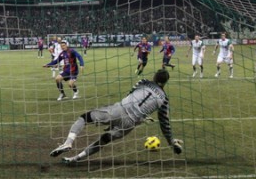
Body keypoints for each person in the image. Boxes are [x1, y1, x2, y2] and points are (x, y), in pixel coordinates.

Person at [50, 69, 183, 163]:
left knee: (84, 118)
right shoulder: (164, 99)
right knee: (104, 140)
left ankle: (68, 143)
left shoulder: (143, 82)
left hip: (119, 110)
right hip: (130, 124)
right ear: (165, 82)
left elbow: (131, 94)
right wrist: (171, 141)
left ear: (154, 77)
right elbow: (164, 123)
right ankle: (75, 159)